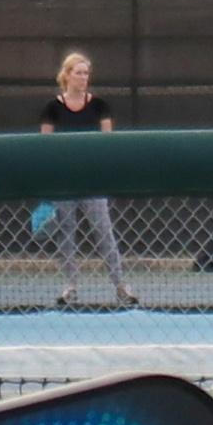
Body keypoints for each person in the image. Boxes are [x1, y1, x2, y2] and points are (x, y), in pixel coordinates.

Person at [37, 50, 134, 306]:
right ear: (67, 76)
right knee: (66, 232)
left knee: (104, 232)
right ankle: (71, 287)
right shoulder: (52, 108)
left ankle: (120, 285)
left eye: (86, 73)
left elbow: (107, 142)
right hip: (64, 183)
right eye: (78, 73)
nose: (83, 77)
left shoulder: (100, 106)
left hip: (92, 181)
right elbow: (45, 145)